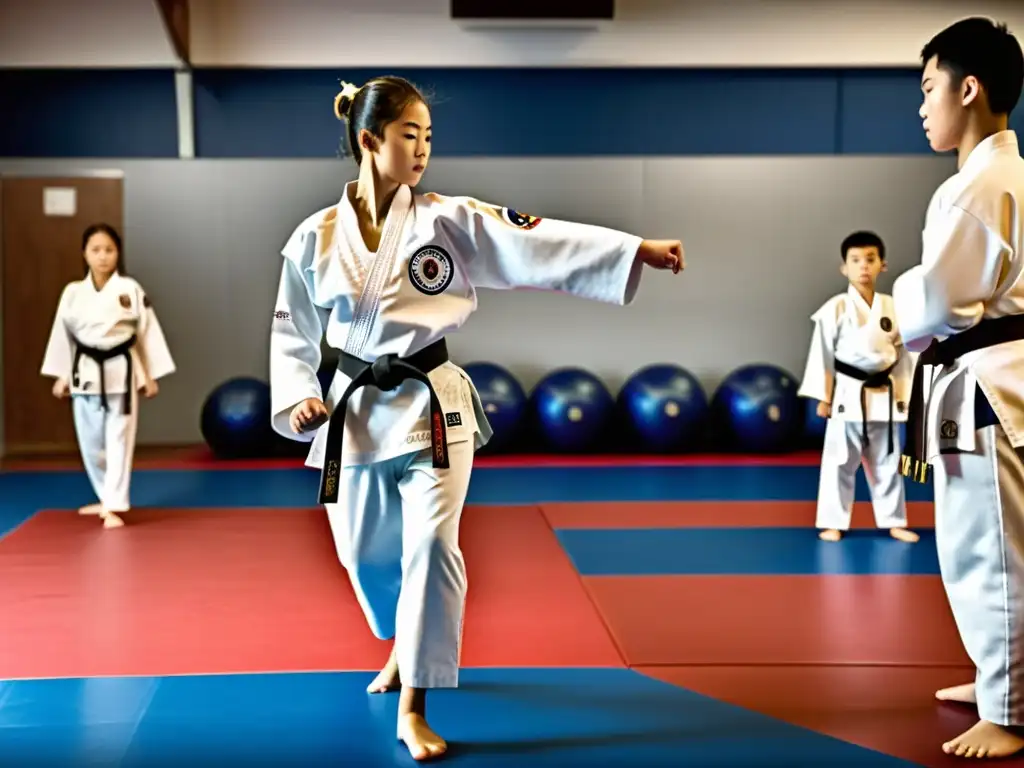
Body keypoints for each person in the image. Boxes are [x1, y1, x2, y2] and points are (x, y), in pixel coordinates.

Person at [269, 75, 684, 761]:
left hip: (433, 405)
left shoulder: (445, 219)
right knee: (365, 559)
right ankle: (402, 646)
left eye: (430, 136)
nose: (424, 149)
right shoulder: (313, 237)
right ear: (370, 141)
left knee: (432, 548)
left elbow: (536, 241)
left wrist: (630, 249)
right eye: (410, 135)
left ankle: (415, 704)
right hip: (355, 412)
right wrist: (295, 396)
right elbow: (289, 327)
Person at [891, 16, 1024, 760]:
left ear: (968, 88)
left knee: (992, 553)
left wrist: (907, 292)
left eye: (928, 87)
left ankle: (1009, 708)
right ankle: (997, 675)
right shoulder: (997, 177)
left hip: (986, 384)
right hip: (984, 380)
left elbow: (940, 304)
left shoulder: (983, 186)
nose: (922, 105)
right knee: (978, 547)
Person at [40, 223, 176, 529]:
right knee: (90, 442)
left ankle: (114, 504)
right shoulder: (73, 292)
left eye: (109, 250)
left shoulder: (129, 289)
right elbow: (63, 337)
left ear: (118, 254)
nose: (102, 257)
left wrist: (149, 376)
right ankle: (105, 497)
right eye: (95, 250)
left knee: (119, 439)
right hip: (85, 371)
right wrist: (61, 375)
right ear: (85, 254)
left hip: (122, 372)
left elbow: (145, 334)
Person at [798, 231, 918, 543]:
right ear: (844, 268)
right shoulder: (835, 308)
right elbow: (822, 354)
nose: (863, 266)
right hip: (848, 394)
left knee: (888, 462)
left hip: (886, 395)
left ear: (883, 265)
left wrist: (907, 397)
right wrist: (823, 396)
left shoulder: (894, 307)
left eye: (870, 259)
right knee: (839, 461)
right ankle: (833, 521)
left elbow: (905, 357)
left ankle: (893, 521)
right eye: (855, 260)